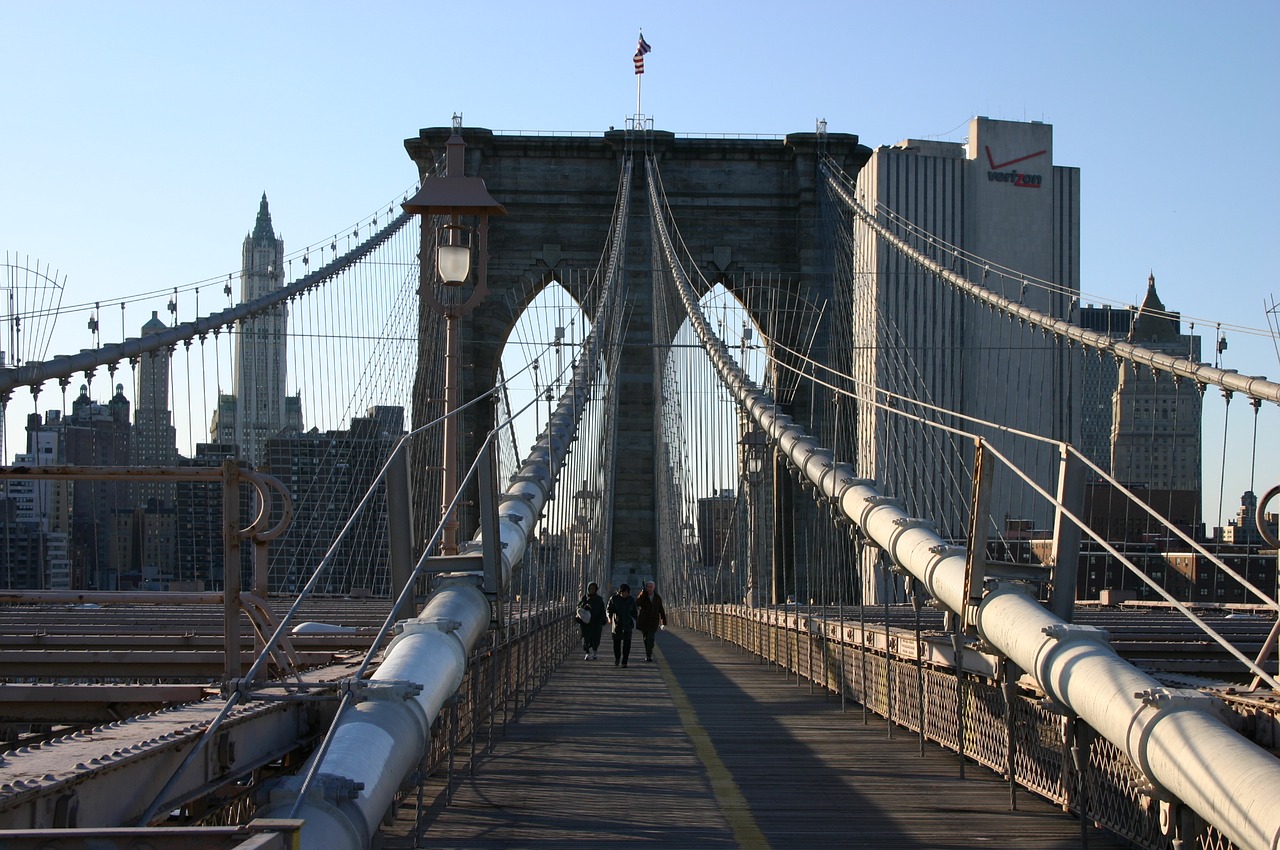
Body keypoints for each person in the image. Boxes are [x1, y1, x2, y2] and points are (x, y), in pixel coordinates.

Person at [605, 583, 638, 667]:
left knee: (627, 644)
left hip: (627, 624)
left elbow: (634, 611)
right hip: (617, 624)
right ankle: (617, 658)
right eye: (623, 592)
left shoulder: (631, 600)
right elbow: (609, 610)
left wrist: (636, 621)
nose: (624, 594)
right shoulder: (614, 599)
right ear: (619, 592)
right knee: (617, 644)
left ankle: (624, 661)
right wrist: (609, 618)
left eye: (626, 592)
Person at [635, 580, 667, 662]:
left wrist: (663, 623)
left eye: (651, 587)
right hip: (644, 621)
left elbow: (661, 610)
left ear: (654, 587)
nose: (649, 588)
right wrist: (642, 594)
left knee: (651, 638)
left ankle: (649, 654)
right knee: (646, 638)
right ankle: (648, 654)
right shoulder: (643, 596)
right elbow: (638, 603)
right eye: (648, 587)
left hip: (653, 621)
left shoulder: (657, 597)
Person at [576, 582, 606, 660]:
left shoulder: (599, 599)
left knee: (596, 638)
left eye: (593, 589)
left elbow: (602, 609)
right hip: (586, 622)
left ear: (596, 589)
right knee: (586, 637)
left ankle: (595, 651)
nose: (591, 590)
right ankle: (587, 652)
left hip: (596, 622)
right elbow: (579, 607)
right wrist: (584, 607)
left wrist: (603, 618)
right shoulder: (584, 598)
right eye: (590, 589)